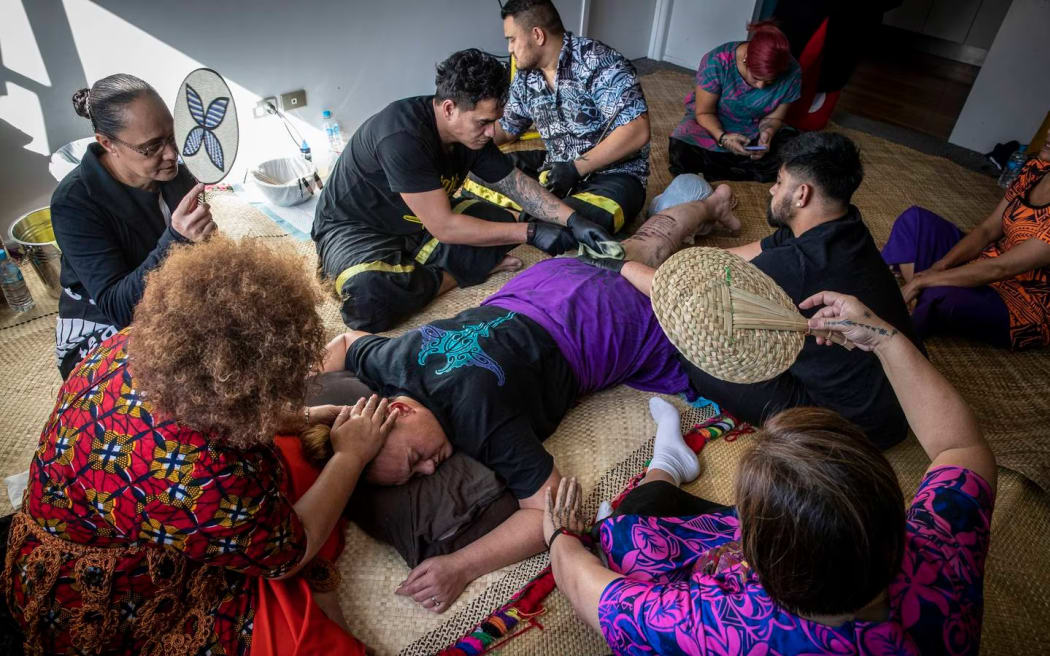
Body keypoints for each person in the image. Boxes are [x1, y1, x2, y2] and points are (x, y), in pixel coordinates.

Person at [316, 186, 741, 612]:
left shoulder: (479, 418)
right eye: (417, 474)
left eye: (415, 459)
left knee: (703, 309)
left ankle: (756, 249)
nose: (430, 468)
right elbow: (346, 341)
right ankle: (708, 204)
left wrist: (461, 566)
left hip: (596, 321)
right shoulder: (392, 363)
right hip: (544, 283)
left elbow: (547, 511)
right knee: (641, 247)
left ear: (400, 410)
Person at [543, 292, 997, 656]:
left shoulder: (723, 627)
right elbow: (960, 446)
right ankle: (671, 460)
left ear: (755, 562)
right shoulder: (941, 549)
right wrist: (882, 337)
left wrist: (561, 537)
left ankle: (666, 464)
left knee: (622, 530)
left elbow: (596, 596)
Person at [3, 237, 393, 655]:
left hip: (66, 531)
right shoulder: (202, 475)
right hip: (104, 601)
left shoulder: (131, 344)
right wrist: (351, 456)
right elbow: (288, 555)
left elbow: (218, 396)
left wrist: (304, 417)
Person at [599, 131, 917, 449]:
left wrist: (618, 265)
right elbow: (734, 257)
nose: (771, 189)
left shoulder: (795, 266)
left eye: (779, 181)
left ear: (802, 194)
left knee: (696, 352)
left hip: (853, 426)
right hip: (901, 395)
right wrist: (683, 262)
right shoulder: (842, 226)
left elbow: (684, 295)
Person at [312, 48, 616, 333]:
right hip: (356, 228)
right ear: (449, 108)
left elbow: (517, 185)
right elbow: (444, 227)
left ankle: (435, 268)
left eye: (494, 122)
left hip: (423, 222)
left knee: (503, 224)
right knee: (368, 300)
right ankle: (454, 274)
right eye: (483, 122)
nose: (491, 132)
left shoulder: (471, 137)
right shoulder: (401, 136)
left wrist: (573, 220)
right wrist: (531, 233)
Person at [51, 74, 216, 379]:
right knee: (183, 386)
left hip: (169, 298)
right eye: (151, 147)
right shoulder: (74, 202)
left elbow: (201, 259)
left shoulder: (176, 176)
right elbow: (120, 309)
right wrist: (178, 239)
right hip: (104, 323)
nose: (171, 154)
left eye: (172, 136)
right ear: (107, 143)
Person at [462, 0, 650, 237]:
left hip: (615, 178)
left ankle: (528, 219)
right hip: (554, 169)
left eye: (512, 39)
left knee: (574, 225)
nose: (509, 49)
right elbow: (508, 129)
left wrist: (576, 168)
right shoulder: (525, 75)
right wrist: (467, 143)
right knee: (476, 175)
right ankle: (535, 219)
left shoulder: (599, 61)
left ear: (537, 35)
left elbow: (637, 129)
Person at [882, 132, 1050, 349]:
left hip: (1021, 302)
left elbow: (1002, 268)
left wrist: (921, 281)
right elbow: (988, 230)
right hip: (987, 261)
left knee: (941, 292)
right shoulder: (1034, 169)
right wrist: (938, 267)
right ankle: (919, 300)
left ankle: (913, 302)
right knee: (915, 220)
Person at [668, 21, 802, 182]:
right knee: (681, 147)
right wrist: (723, 138)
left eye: (769, 82)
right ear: (746, 59)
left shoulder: (792, 72)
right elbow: (704, 112)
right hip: (713, 123)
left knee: (800, 153)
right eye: (757, 78)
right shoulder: (717, 61)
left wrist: (767, 134)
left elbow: (775, 118)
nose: (760, 86)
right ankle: (739, 169)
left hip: (754, 128)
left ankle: (721, 169)